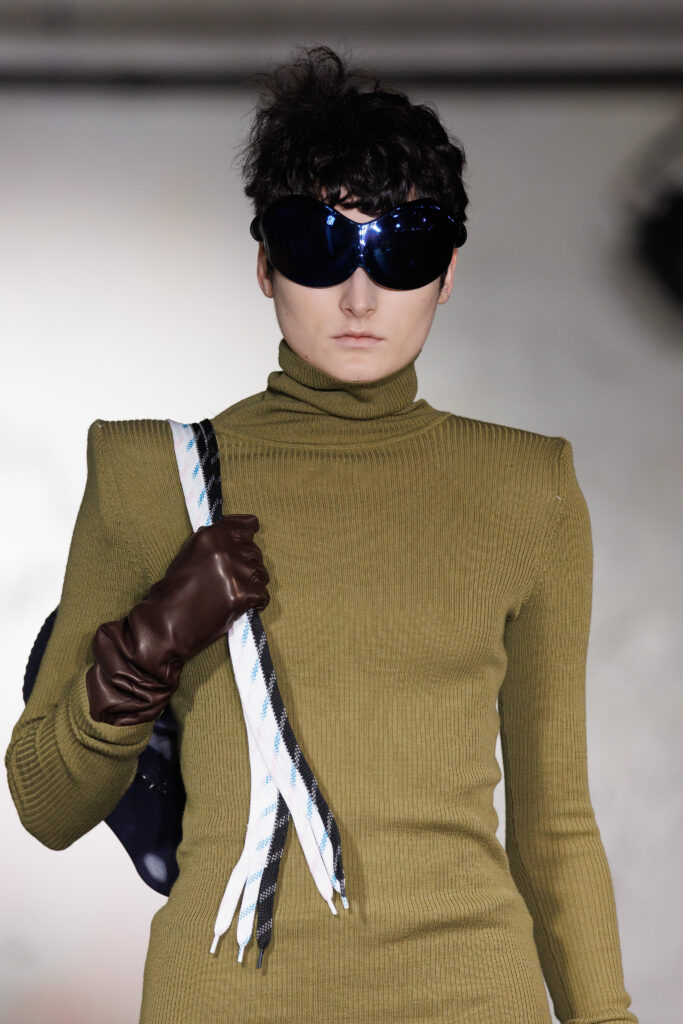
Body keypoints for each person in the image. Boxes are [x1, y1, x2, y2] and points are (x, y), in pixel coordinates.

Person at [5, 43, 638, 1024]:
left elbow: (553, 823)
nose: (357, 294)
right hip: (226, 1000)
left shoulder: (530, 486)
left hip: (473, 1000)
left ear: (447, 272)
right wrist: (146, 647)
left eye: (401, 248)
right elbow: (46, 806)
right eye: (316, 243)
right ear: (264, 263)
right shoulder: (147, 474)